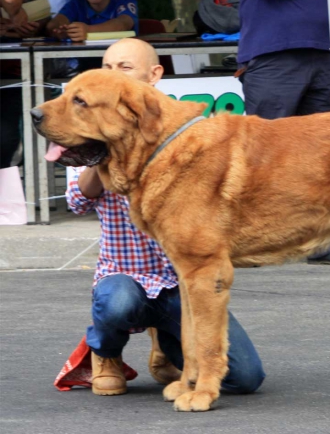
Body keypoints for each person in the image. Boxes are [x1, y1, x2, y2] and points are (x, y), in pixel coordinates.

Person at [66, 38, 265, 396]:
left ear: (154, 74)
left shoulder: (185, 125)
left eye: (124, 68)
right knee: (118, 303)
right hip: (125, 277)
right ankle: (105, 354)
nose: (113, 75)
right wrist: (101, 156)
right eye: (107, 67)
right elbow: (77, 201)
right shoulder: (90, 119)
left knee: (246, 377)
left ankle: (167, 347)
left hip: (179, 285)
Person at [228, 0, 330, 265]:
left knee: (323, 155)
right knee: (263, 154)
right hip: (273, 55)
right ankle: (255, 242)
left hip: (324, 51)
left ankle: (318, 242)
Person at [0, 0, 45, 168]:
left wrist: (25, 21)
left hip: (11, 65)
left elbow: (36, 7)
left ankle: (9, 200)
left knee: (6, 138)